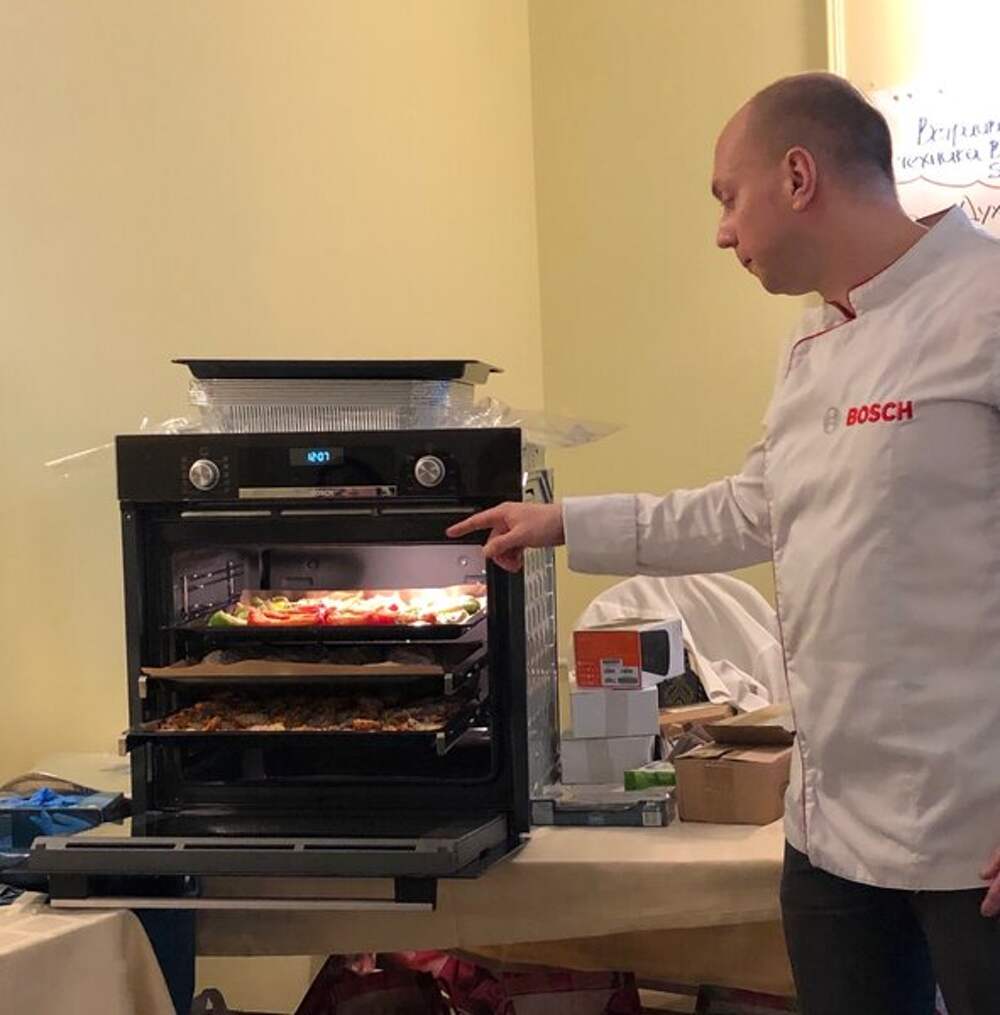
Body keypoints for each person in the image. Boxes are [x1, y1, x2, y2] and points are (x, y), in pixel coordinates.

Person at [447, 72, 1000, 1015]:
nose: (722, 232)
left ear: (798, 176)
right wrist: (563, 523)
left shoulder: (983, 302)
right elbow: (751, 509)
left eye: (727, 197)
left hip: (974, 834)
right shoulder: (809, 344)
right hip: (830, 833)